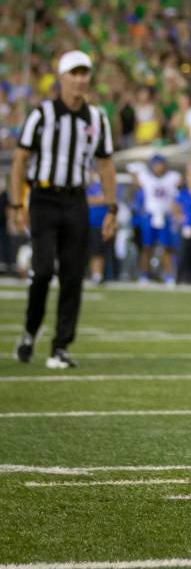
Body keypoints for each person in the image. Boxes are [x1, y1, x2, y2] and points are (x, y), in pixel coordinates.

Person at [11, 50, 117, 368]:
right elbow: (20, 161)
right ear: (61, 77)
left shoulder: (97, 118)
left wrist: (112, 208)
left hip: (75, 200)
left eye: (85, 73)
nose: (81, 79)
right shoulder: (41, 115)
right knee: (42, 271)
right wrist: (17, 203)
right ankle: (30, 332)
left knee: (73, 276)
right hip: (43, 198)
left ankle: (60, 346)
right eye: (75, 73)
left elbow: (106, 165)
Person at [130, 154, 181, 285]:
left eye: (161, 164)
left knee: (167, 247)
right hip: (149, 216)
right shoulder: (146, 177)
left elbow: (176, 195)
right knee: (146, 247)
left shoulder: (171, 178)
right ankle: (144, 275)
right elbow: (135, 180)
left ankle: (169, 275)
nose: (159, 167)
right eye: (157, 164)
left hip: (164, 216)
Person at [85, 167, 110, 284]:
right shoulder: (87, 185)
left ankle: (97, 274)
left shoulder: (106, 185)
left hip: (100, 223)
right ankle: (92, 273)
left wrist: (94, 200)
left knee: (98, 251)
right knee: (87, 251)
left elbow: (108, 199)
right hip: (86, 222)